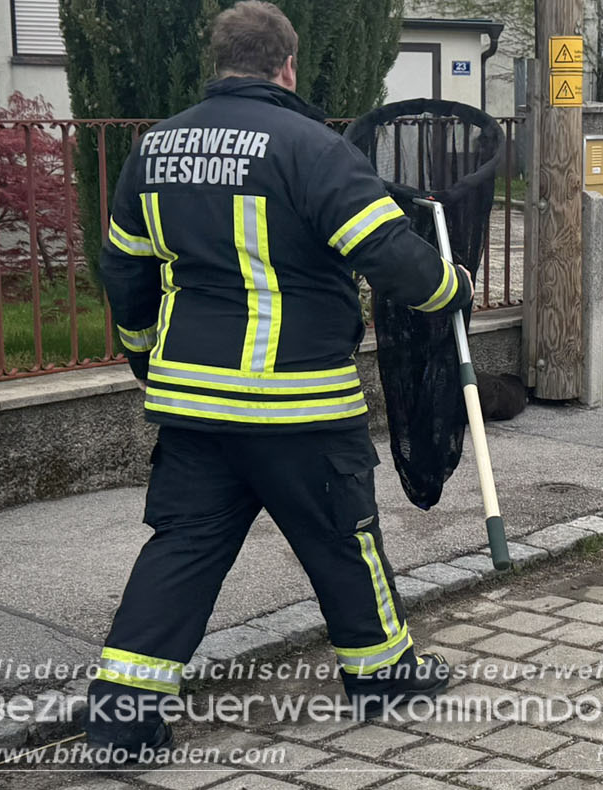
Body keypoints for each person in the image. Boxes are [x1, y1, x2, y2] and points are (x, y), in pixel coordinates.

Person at [89, 0, 473, 752]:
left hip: (192, 403)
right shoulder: (309, 145)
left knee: (182, 547)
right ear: (287, 64)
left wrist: (144, 357)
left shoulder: (155, 148)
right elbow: (388, 252)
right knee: (343, 537)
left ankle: (121, 717)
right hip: (296, 400)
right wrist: (450, 288)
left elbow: (124, 272)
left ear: (218, 61)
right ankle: (382, 675)